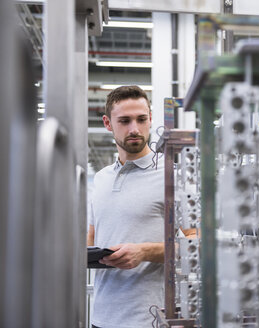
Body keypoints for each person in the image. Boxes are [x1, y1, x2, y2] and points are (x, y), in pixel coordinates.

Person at [87, 85, 195, 328]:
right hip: (102, 318)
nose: (134, 129)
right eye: (124, 121)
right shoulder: (102, 178)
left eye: (141, 119)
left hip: (150, 320)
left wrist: (145, 252)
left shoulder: (172, 176)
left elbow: (198, 243)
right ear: (107, 123)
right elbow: (92, 236)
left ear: (151, 119)